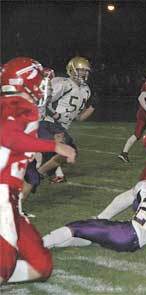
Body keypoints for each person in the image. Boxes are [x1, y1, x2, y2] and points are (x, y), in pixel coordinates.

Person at [0, 57, 76, 284]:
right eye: (40, 79)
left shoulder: (11, 105)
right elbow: (8, 136)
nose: (44, 85)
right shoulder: (18, 105)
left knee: (40, 266)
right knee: (3, 265)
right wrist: (53, 146)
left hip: (11, 197)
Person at [42, 165, 146, 252]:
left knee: (76, 226)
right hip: (135, 242)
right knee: (91, 236)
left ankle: (38, 245)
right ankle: (53, 245)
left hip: (127, 233)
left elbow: (131, 203)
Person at [37, 56, 95, 183]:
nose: (83, 73)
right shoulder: (63, 83)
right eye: (80, 70)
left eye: (86, 71)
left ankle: (43, 173)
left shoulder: (86, 90)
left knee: (61, 151)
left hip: (62, 126)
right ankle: (43, 173)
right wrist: (54, 114)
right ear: (72, 69)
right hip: (49, 122)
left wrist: (93, 108)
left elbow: (79, 117)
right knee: (63, 149)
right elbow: (44, 101)